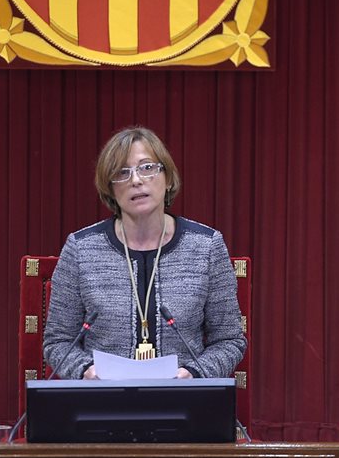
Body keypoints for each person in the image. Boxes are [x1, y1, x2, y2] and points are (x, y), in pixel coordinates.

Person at [43, 126, 246, 380]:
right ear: (110, 190)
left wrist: (194, 373)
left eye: (147, 168)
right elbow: (58, 342)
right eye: (122, 173)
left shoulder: (206, 246)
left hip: (183, 401)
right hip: (103, 402)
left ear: (168, 177)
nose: (136, 180)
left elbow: (229, 340)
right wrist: (86, 371)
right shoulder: (81, 248)